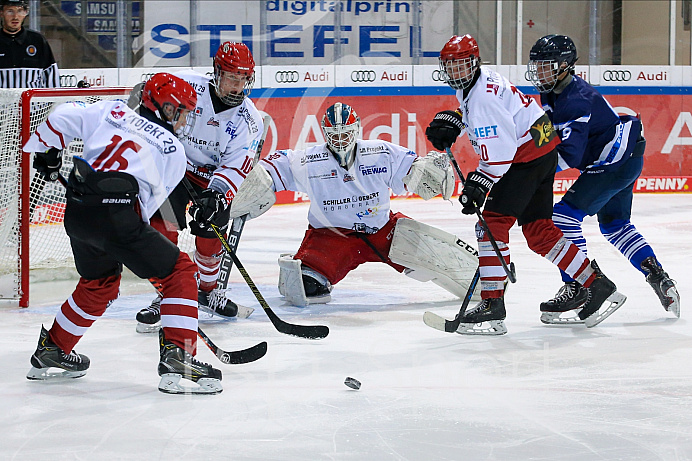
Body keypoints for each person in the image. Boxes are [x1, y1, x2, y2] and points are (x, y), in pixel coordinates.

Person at [24, 73, 224, 394]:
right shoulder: (173, 147)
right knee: (181, 272)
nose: (185, 119)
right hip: (116, 215)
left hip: (78, 211)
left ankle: (53, 350)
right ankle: (179, 357)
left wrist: (48, 153)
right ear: (165, 108)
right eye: (182, 111)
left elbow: (60, 116)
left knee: (99, 285)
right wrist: (132, 245)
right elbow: (149, 206)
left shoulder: (112, 111)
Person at [424, 34, 626, 335]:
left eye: (461, 65)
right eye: (450, 66)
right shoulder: (478, 82)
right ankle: (597, 285)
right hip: (542, 151)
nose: (456, 72)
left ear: (474, 62)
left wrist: (479, 184)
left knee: (490, 225)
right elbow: (498, 116)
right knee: (539, 231)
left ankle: (493, 304)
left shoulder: (481, 98)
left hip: (525, 158)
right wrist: (456, 119)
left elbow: (501, 152)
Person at [228, 101, 481, 307]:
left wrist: (427, 172)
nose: (340, 140)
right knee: (304, 289)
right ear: (325, 134)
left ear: (357, 129)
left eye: (346, 134)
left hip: (384, 232)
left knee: (460, 269)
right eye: (334, 135)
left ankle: (487, 284)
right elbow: (275, 166)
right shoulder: (311, 160)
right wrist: (257, 180)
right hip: (332, 237)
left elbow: (412, 169)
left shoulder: (380, 152)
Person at [526, 34, 680, 320]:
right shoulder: (552, 92)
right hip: (624, 159)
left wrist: (528, 175)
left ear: (564, 66)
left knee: (562, 217)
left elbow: (569, 155)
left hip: (613, 163)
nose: (539, 72)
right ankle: (659, 277)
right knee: (615, 225)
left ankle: (580, 286)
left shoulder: (575, 100)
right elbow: (550, 137)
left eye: (546, 65)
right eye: (536, 65)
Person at [134, 41, 264, 333]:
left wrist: (217, 195)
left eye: (244, 79)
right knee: (159, 230)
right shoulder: (187, 84)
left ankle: (208, 291)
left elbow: (235, 165)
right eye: (232, 77)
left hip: (212, 180)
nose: (237, 86)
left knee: (211, 233)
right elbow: (149, 96)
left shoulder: (250, 121)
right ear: (217, 73)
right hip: (174, 170)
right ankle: (169, 292)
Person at [0, 0, 59, 88]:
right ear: (1, 13)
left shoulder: (37, 40)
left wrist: (54, 100)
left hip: (32, 101)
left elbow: (51, 75)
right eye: (10, 11)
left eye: (20, 11)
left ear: (25, 13)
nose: (15, 17)